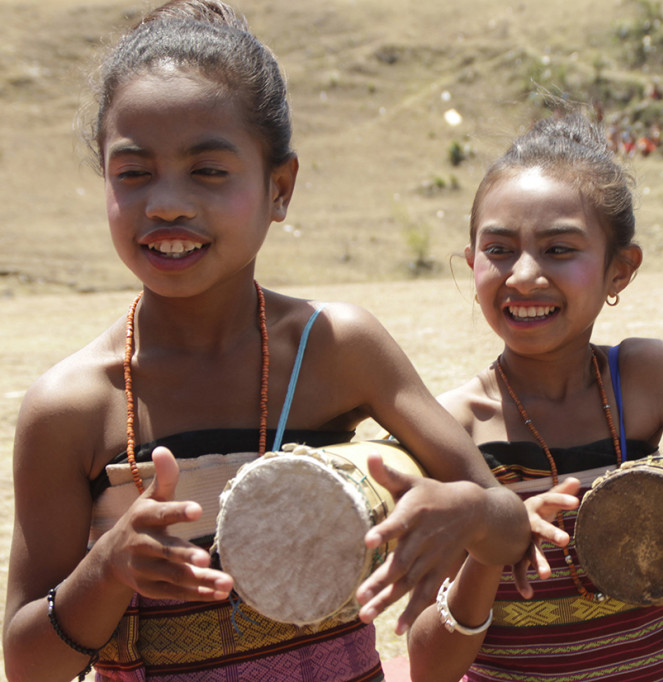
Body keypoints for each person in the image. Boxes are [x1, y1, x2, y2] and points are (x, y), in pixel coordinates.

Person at [1, 2, 530, 680]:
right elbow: (26, 663)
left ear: (280, 188)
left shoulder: (334, 348)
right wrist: (107, 568)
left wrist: (468, 513)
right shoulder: (72, 408)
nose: (166, 202)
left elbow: (509, 523)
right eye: (133, 172)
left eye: (208, 171)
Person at [406, 111, 663, 681]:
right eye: (498, 249)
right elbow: (429, 668)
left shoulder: (648, 378)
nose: (523, 275)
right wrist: (489, 549)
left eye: (558, 249)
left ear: (620, 270)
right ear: (471, 261)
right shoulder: (454, 427)